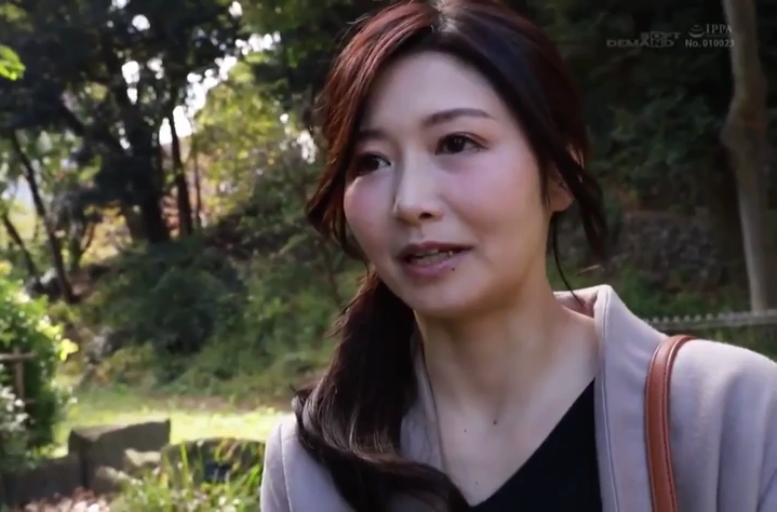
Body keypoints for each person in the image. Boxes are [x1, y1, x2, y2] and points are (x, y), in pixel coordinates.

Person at [260, 0, 777, 510]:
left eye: (456, 143)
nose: (410, 202)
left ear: (559, 174)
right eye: (371, 161)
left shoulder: (736, 416)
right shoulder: (310, 467)